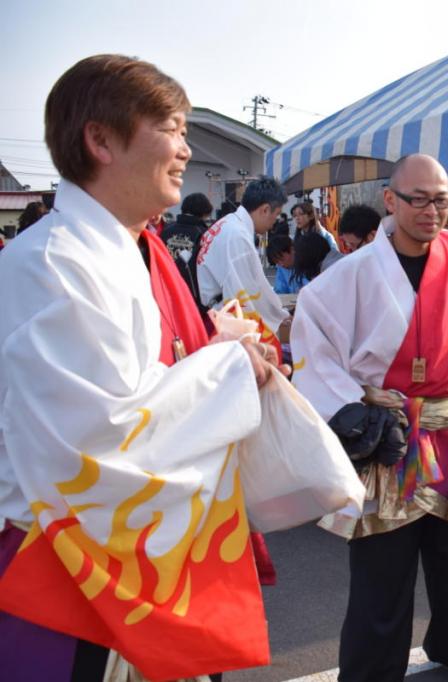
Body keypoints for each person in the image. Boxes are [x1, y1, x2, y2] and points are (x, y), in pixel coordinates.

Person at [0, 53, 281, 681]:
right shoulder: (51, 263)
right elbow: (99, 438)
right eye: (173, 128)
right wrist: (230, 368)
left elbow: (142, 389)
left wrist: (217, 361)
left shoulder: (121, 247)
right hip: (65, 568)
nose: (185, 150)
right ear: (100, 139)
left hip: (123, 549)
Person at [291, 154, 448, 682]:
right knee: (383, 573)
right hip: (392, 437)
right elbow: (312, 337)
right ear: (390, 200)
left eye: (443, 200)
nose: (432, 211)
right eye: (418, 199)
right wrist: (348, 404)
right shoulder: (351, 273)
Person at [196, 176, 291, 345]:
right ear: (265, 209)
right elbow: (247, 292)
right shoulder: (237, 236)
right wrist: (279, 315)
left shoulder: (227, 223)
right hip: (222, 320)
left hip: (210, 311)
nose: (273, 223)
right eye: (275, 216)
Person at [161, 191, 213, 309]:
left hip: (165, 289)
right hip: (191, 296)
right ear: (204, 212)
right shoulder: (204, 234)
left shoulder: (166, 230)